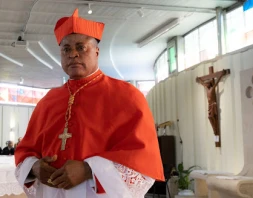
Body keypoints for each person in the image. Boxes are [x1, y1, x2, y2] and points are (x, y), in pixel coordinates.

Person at [15, 8, 164, 198]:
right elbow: (26, 150)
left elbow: (142, 157)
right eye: (66, 49)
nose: (73, 54)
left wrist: (88, 170)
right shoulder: (47, 101)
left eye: (81, 47)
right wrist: (35, 167)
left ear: (97, 51)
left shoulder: (127, 96)